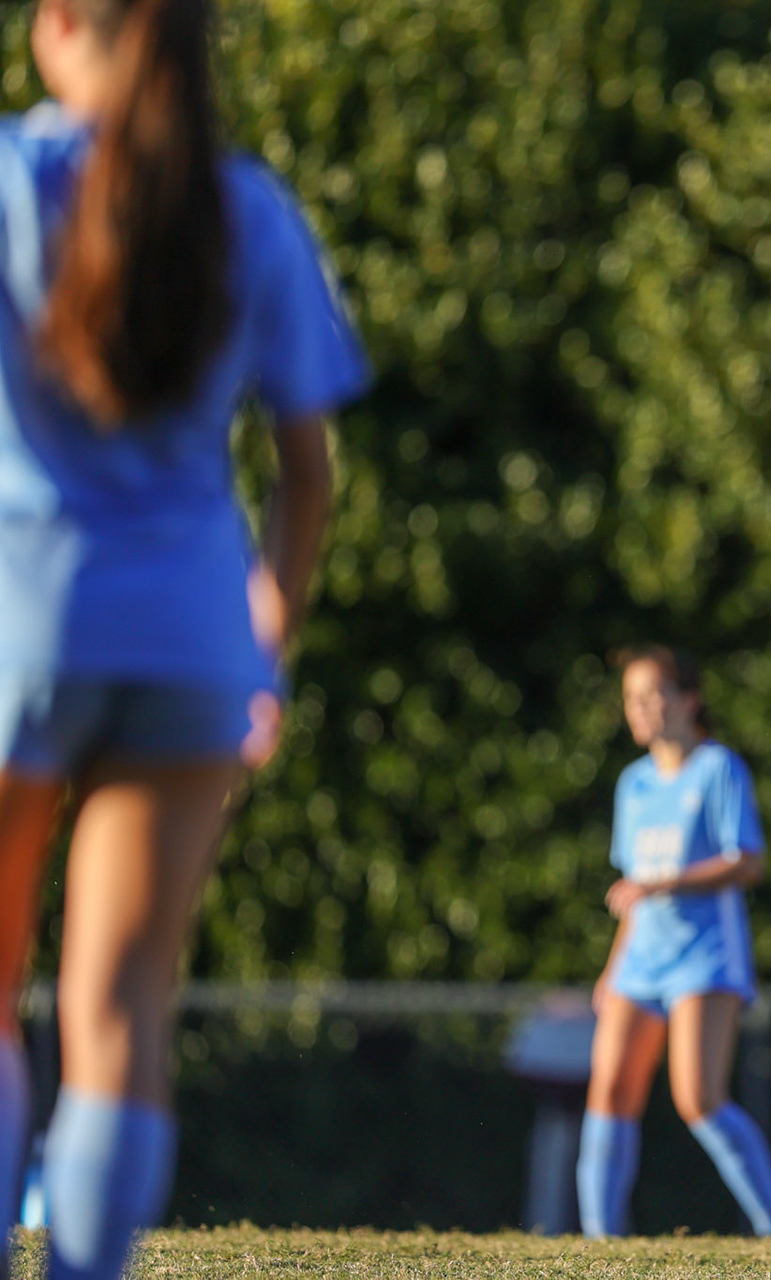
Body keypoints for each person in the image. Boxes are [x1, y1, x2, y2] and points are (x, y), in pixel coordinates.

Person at [0, 0, 368, 1275]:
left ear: (57, 25)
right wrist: (265, 641)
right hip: (190, 638)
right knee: (120, 1004)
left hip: (19, 620)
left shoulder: (7, 178)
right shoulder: (250, 208)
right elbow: (306, 472)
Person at [576, 646, 771, 1240]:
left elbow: (746, 862)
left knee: (697, 1098)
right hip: (639, 961)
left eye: (654, 694)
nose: (641, 709)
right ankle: (601, 1244)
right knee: (609, 1093)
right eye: (632, 698)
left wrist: (663, 882)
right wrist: (611, 969)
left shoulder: (718, 768)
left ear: (689, 699)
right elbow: (632, 893)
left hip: (705, 960)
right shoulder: (633, 783)